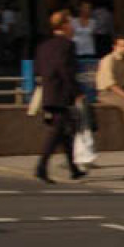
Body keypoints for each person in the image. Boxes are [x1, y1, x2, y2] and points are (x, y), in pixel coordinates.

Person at [33, 11, 84, 183]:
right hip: (61, 94)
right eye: (70, 23)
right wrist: (76, 91)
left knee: (63, 132)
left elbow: (38, 69)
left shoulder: (43, 46)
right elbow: (66, 70)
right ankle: (41, 166)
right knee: (56, 132)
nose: (72, 27)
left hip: (49, 93)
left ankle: (74, 168)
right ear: (63, 26)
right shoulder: (67, 45)